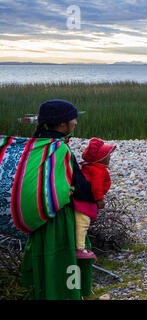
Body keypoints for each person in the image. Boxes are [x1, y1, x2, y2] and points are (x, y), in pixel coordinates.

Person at [22, 99, 94, 299]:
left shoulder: (35, 146)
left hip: (38, 217)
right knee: (64, 258)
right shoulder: (60, 149)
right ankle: (68, 295)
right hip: (59, 218)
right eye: (73, 119)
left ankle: (44, 293)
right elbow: (80, 187)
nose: (76, 123)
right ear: (62, 124)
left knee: (45, 260)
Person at [73, 137, 116, 260]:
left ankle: (81, 245)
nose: (109, 157)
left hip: (81, 198)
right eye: (107, 155)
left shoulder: (90, 167)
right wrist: (99, 199)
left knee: (81, 222)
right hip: (84, 201)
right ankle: (80, 248)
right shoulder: (98, 170)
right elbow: (96, 186)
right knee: (83, 222)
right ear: (100, 159)